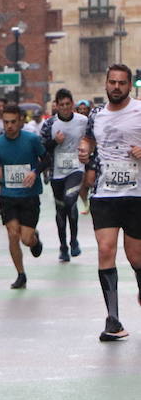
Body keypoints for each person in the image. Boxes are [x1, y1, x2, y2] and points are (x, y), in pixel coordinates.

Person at [78, 63, 141, 341]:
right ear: (105, 84)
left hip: (136, 194)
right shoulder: (96, 115)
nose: (116, 87)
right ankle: (113, 320)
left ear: (130, 85)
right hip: (104, 193)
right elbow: (89, 140)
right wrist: (84, 150)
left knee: (135, 256)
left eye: (122, 83)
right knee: (105, 250)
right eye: (112, 82)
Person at [0, 104, 49, 289]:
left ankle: (34, 239)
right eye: (6, 122)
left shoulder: (32, 140)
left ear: (21, 121)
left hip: (29, 195)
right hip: (8, 195)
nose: (9, 126)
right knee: (13, 234)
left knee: (25, 239)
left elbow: (46, 159)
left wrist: (35, 172)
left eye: (13, 122)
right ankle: (21, 274)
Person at [39, 89, 88, 262]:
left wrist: (87, 154)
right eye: (62, 105)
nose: (66, 108)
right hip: (57, 173)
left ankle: (74, 240)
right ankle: (63, 246)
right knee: (61, 210)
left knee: (70, 200)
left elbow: (92, 139)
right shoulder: (49, 124)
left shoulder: (83, 121)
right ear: (57, 106)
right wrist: (55, 142)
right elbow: (42, 149)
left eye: (68, 104)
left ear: (72, 104)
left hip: (76, 169)